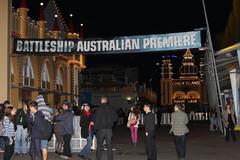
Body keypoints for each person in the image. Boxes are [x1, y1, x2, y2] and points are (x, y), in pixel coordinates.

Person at [94, 95, 117, 160]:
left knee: (99, 146)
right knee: (109, 145)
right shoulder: (111, 108)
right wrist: (111, 123)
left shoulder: (99, 108)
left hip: (101, 129)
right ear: (106, 101)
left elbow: (97, 119)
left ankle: (98, 158)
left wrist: (95, 129)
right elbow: (115, 117)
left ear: (102, 101)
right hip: (109, 129)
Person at [35, 95, 53, 160]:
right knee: (44, 146)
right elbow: (51, 118)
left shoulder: (36, 109)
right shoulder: (47, 109)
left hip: (38, 129)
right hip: (45, 129)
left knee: (37, 146)